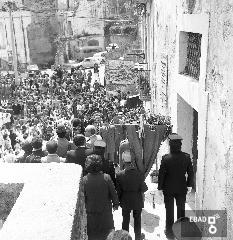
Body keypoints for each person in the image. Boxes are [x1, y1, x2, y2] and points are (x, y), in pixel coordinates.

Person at [158, 133, 194, 239]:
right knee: (181, 210)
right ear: (180, 145)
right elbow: (191, 173)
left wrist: (160, 187)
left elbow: (161, 174)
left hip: (168, 189)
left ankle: (169, 233)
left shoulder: (165, 158)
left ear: (170, 145)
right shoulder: (187, 157)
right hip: (181, 187)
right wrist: (189, 185)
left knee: (169, 211)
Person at [83, 154, 119, 240]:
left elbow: (83, 197)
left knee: (92, 233)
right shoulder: (106, 177)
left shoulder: (84, 180)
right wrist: (116, 204)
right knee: (107, 233)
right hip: (105, 210)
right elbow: (113, 193)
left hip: (90, 211)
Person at [116, 150, 148, 240]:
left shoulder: (119, 175)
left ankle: (124, 238)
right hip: (137, 200)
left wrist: (117, 202)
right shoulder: (139, 174)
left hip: (125, 201)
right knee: (137, 220)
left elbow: (118, 191)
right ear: (132, 161)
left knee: (125, 220)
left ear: (123, 161)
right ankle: (138, 237)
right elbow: (145, 188)